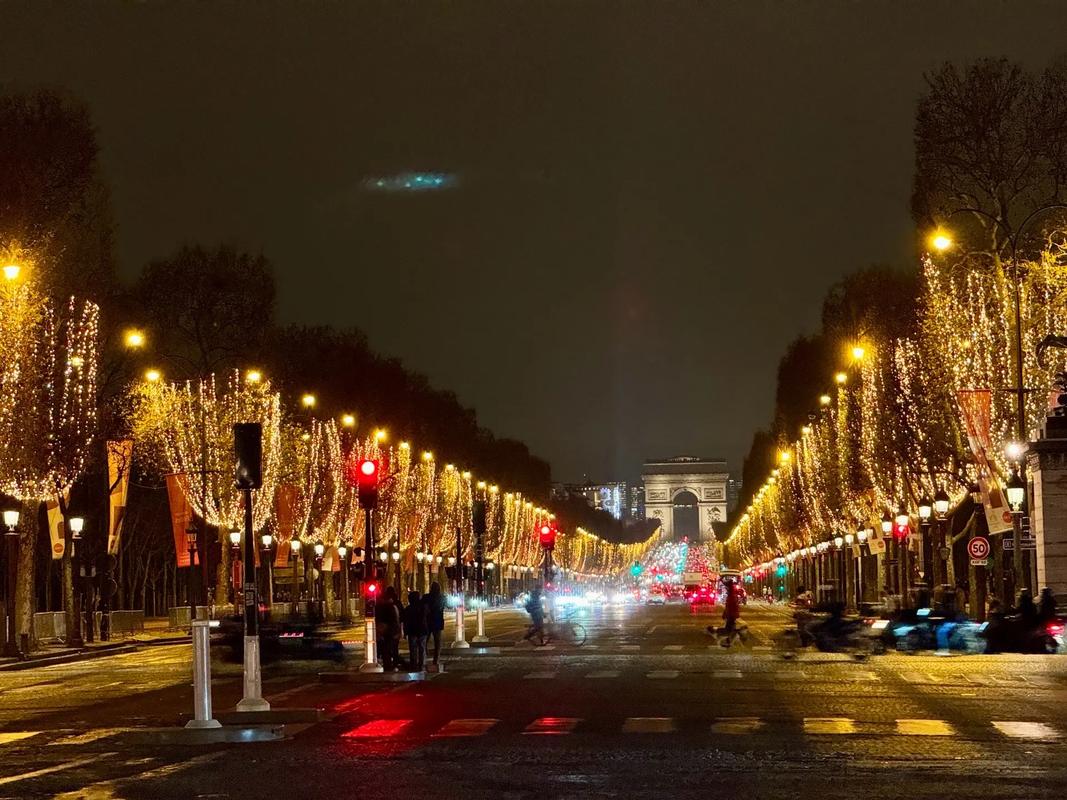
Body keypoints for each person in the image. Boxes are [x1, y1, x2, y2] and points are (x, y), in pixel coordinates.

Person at [375, 586, 401, 670]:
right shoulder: (394, 606)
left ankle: (388, 664)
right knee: (392, 649)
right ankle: (393, 664)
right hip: (391, 631)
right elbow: (397, 619)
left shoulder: (381, 607)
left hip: (386, 631)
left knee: (386, 650)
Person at [402, 590, 429, 670]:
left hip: (412, 631)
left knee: (413, 649)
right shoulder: (423, 607)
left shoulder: (408, 609)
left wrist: (405, 632)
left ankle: (414, 665)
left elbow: (405, 621)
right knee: (422, 648)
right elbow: (427, 617)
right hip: (422, 630)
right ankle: (422, 665)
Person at [426, 582, 446, 666]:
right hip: (437, 621)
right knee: (437, 643)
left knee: (424, 641)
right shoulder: (442, 598)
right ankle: (436, 660)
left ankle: (423, 657)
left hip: (428, 621)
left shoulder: (426, 597)